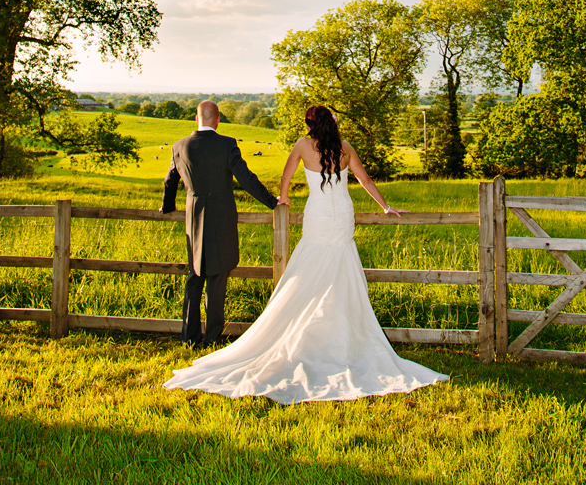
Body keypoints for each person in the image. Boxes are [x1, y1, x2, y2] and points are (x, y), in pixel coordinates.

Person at [163, 105, 448, 403]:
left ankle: (303, 333)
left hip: (318, 216)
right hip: (342, 217)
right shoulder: (345, 148)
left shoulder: (301, 145)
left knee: (307, 272)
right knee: (341, 273)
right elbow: (364, 180)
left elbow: (285, 178)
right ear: (331, 124)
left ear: (310, 125)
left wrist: (281, 199)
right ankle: (339, 339)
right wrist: (385, 205)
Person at [160, 99, 279, 347]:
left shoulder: (179, 146)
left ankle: (189, 338)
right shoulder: (227, 145)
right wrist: (272, 202)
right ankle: (212, 338)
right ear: (218, 119)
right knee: (217, 277)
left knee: (194, 275)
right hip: (221, 218)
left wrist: (167, 206)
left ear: (197, 119)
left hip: (193, 219)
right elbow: (246, 179)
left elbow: (170, 180)